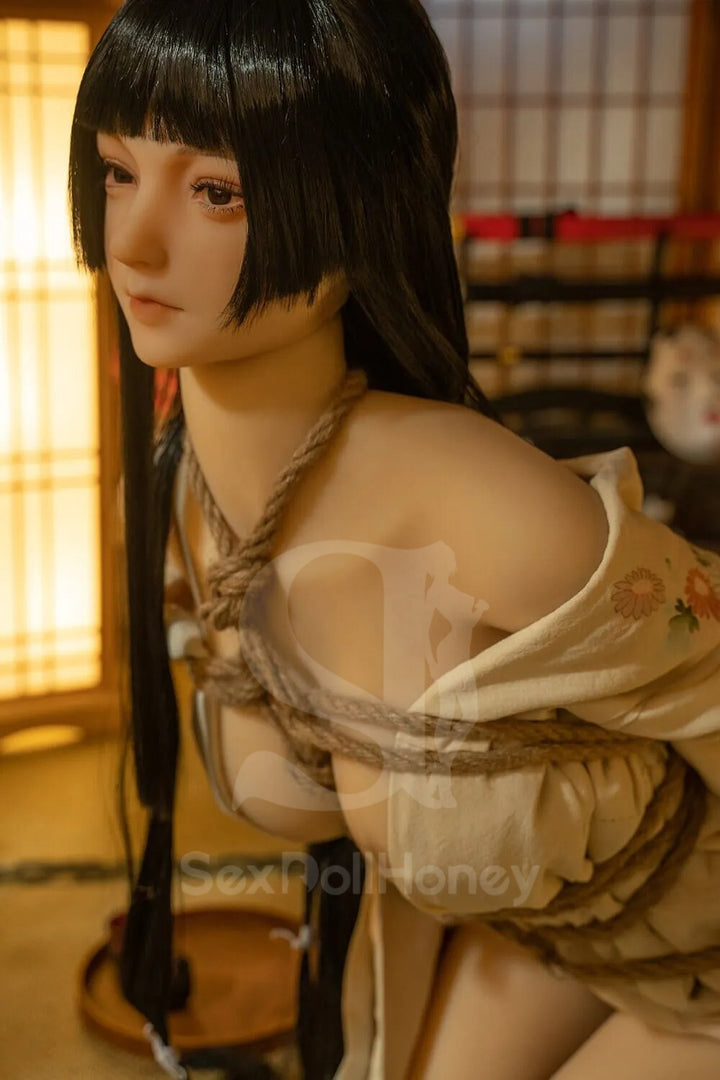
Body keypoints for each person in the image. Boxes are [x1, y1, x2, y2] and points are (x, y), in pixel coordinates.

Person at [69, 2, 720, 1078]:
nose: (131, 240)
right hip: (546, 940)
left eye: (217, 190)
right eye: (116, 171)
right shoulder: (180, 511)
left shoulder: (477, 505)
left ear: (361, 207)